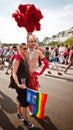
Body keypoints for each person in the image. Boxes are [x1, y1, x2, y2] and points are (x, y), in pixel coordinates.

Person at [12, 43, 34, 128]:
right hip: (20, 83)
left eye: (26, 48)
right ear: (19, 49)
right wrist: (18, 84)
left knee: (20, 98)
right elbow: (14, 73)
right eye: (24, 49)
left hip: (25, 82)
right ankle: (26, 120)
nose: (26, 50)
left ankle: (18, 112)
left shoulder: (24, 56)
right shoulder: (17, 58)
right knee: (24, 102)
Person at [26, 34, 49, 115]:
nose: (33, 43)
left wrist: (40, 72)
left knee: (34, 93)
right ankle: (27, 108)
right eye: (31, 41)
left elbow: (46, 63)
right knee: (26, 93)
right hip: (25, 76)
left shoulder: (38, 52)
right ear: (28, 42)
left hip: (33, 76)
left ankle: (32, 109)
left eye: (35, 41)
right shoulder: (25, 51)